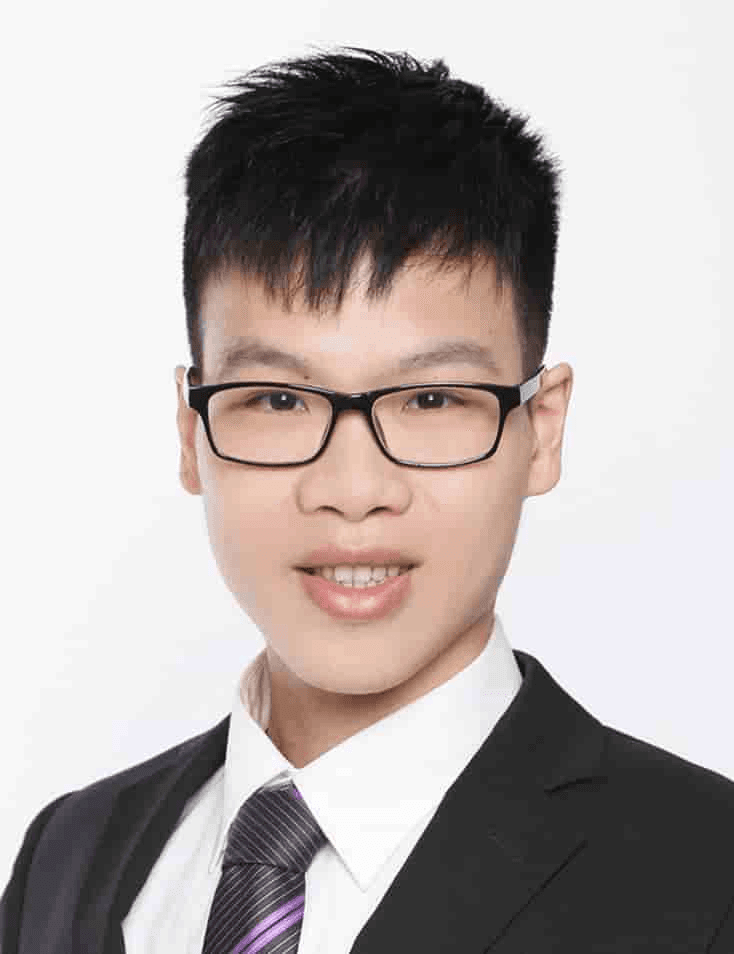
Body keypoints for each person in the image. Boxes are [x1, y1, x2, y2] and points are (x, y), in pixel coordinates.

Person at [2, 45, 733, 954]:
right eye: (277, 399)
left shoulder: (706, 875)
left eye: (430, 401)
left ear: (541, 428)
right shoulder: (67, 853)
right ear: (191, 432)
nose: (353, 491)